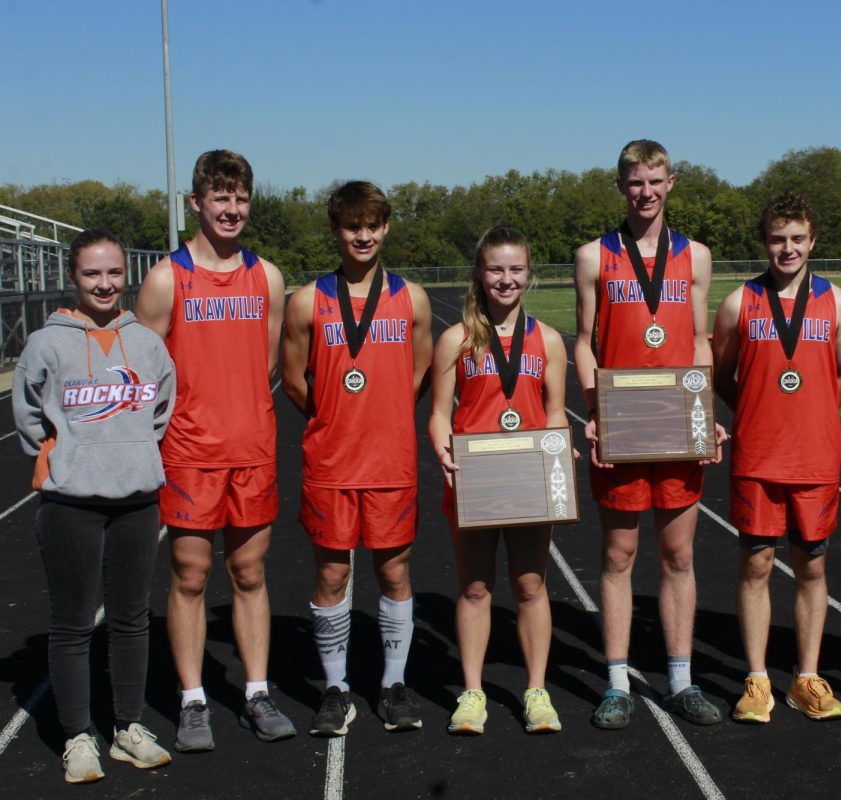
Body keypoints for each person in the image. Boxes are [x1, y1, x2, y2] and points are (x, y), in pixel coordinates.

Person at [136, 150, 293, 750]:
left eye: (240, 198)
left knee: (250, 572)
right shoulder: (164, 278)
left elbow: (268, 364)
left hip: (251, 449)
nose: (231, 209)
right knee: (191, 575)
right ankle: (193, 700)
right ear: (196, 203)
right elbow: (145, 374)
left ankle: (256, 691)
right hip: (188, 455)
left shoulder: (268, 277)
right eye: (220, 198)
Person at [13, 230, 176, 783]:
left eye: (112, 273)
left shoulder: (149, 345)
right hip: (71, 504)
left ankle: (128, 726)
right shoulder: (46, 344)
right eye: (91, 274)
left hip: (137, 499)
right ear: (73, 278)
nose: (104, 284)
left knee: (132, 619)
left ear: (125, 275)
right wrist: (69, 461)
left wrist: (128, 456)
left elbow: (160, 413)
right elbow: (31, 420)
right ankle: (78, 735)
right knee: (73, 622)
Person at [574, 139, 725, 729]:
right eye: (636, 182)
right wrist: (598, 411)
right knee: (618, 554)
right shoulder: (594, 257)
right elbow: (584, 343)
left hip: (678, 422)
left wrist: (705, 409)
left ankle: (681, 680)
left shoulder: (698, 256)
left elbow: (700, 340)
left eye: (656, 181)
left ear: (671, 183)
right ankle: (616, 682)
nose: (646, 191)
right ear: (621, 186)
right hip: (624, 424)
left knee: (679, 554)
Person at [281, 181, 432, 737]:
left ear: (386, 228)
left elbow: (419, 372)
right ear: (335, 230)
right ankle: (336, 688)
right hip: (331, 462)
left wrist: (384, 412)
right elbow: (294, 380)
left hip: (390, 461)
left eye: (372, 225)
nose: (363, 235)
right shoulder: (307, 300)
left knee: (394, 571)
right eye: (352, 225)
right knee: (331, 572)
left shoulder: (411, 298)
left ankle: (393, 683)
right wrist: (335, 418)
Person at [712, 193, 841, 723]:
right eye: (778, 238)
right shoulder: (738, 304)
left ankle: (806, 677)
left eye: (798, 238)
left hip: (815, 458)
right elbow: (722, 376)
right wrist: (757, 411)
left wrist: (810, 412)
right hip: (757, 457)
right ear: (764, 242)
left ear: (813, 241)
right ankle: (756, 679)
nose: (788, 248)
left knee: (811, 568)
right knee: (756, 565)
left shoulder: (836, 302)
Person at [429, 225, 571, 735]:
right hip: (475, 480)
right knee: (473, 587)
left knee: (532, 586)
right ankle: (472, 694)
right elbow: (440, 414)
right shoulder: (455, 339)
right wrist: (444, 452)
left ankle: (536, 691)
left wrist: (559, 453)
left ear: (528, 274)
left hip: (530, 477)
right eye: (495, 269)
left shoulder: (548, 341)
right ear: (479, 273)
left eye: (515, 269)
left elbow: (555, 413)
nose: (506, 279)